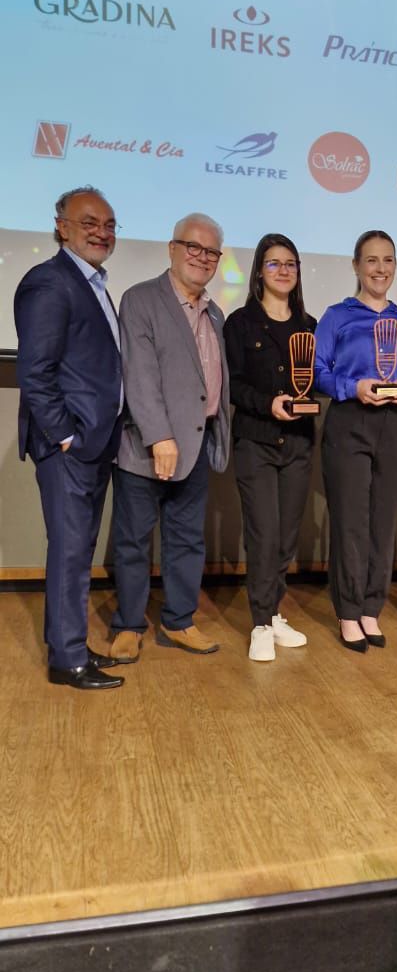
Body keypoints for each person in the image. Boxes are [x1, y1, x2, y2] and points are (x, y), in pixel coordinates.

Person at [14, 186, 125, 690]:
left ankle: (72, 647)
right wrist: (65, 437)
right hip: (71, 449)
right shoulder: (49, 282)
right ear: (61, 227)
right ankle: (67, 661)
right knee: (70, 551)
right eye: (88, 223)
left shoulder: (94, 283)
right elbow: (34, 372)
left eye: (108, 224)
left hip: (95, 443)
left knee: (77, 552)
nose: (101, 232)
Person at [108, 213, 230, 662]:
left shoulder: (214, 312)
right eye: (193, 247)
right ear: (172, 249)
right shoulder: (140, 299)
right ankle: (128, 625)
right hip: (147, 447)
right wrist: (159, 437)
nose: (202, 258)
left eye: (211, 251)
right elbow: (138, 375)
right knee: (134, 539)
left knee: (186, 540)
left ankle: (179, 621)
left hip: (196, 446)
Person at [314, 230, 397, 651]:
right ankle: (347, 609)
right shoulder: (337, 316)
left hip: (393, 425)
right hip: (349, 420)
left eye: (388, 261)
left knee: (383, 521)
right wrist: (352, 385)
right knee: (351, 521)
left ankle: (371, 608)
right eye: (372, 260)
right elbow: (319, 371)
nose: (381, 269)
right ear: (356, 265)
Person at [224, 234, 316, 662]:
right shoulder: (239, 324)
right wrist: (269, 404)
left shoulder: (311, 326)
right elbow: (234, 385)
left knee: (286, 537)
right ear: (259, 270)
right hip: (256, 442)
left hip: (298, 443)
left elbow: (319, 379)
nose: (283, 270)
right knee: (263, 534)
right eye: (274, 263)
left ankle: (274, 610)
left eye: (290, 264)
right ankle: (260, 622)